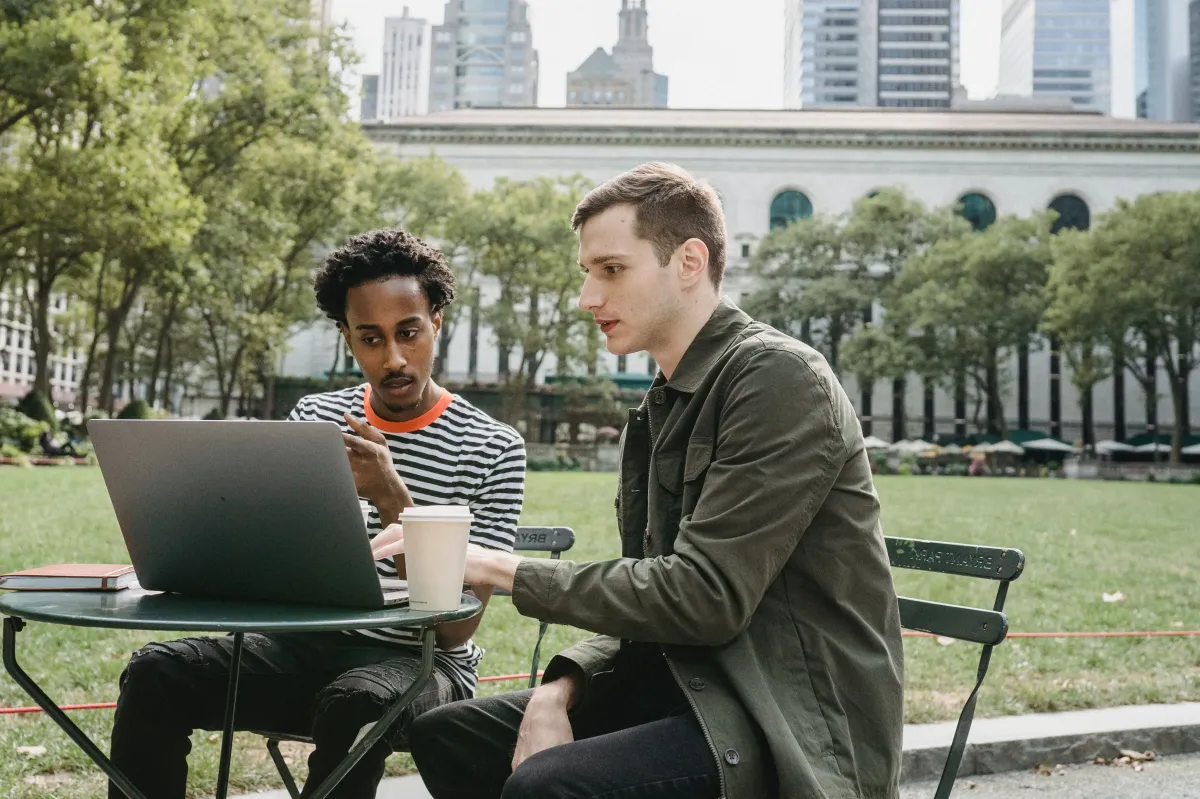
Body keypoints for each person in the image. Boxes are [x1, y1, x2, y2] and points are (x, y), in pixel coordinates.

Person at [386, 163, 905, 799]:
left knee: (549, 785)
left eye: (611, 269)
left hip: (787, 721)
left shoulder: (778, 380)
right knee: (448, 735)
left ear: (690, 261)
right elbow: (658, 598)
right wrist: (561, 687)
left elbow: (702, 596)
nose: (587, 297)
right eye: (587, 273)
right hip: (689, 685)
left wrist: (497, 568)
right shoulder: (665, 403)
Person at [106, 229, 526, 799]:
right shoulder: (316, 417)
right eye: (371, 339)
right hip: (299, 649)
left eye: (410, 332)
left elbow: (455, 626)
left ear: (437, 323)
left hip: (421, 667)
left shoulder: (493, 445)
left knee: (355, 703)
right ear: (347, 338)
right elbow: (276, 562)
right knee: (158, 672)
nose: (395, 358)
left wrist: (390, 496)